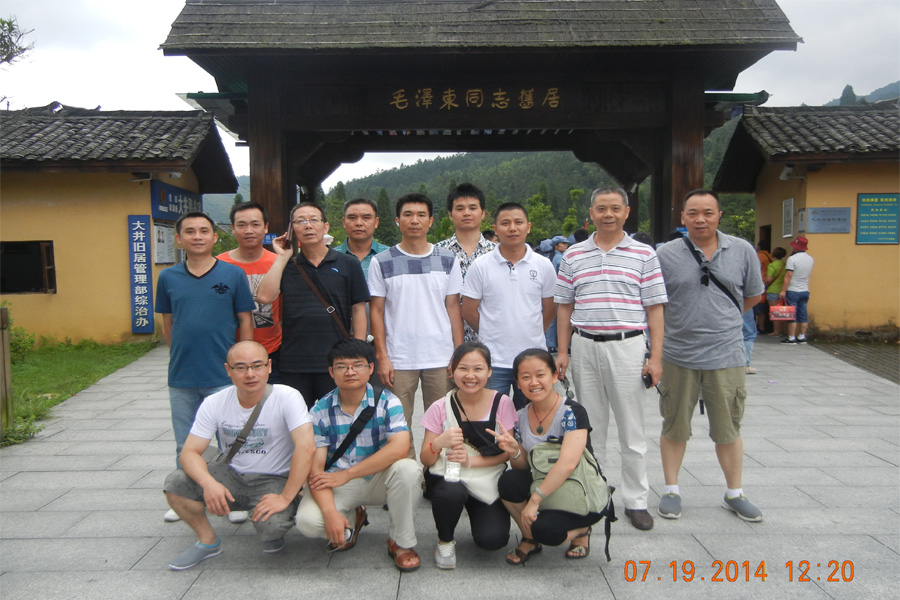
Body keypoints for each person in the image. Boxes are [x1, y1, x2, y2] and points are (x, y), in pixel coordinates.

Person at [555, 187, 667, 531]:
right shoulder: (573, 254)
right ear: (591, 213)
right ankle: (595, 494)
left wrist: (656, 357)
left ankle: (636, 500)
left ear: (626, 212)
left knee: (632, 429)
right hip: (584, 345)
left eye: (615, 208)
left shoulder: (644, 254)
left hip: (627, 346)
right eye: (601, 209)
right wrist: (563, 351)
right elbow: (564, 306)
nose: (608, 214)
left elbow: (655, 308)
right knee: (591, 427)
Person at [656, 189, 765, 523]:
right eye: (692, 213)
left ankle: (735, 493)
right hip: (678, 353)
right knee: (674, 424)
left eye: (707, 213)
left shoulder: (742, 250)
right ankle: (671, 489)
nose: (700, 219)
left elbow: (753, 295)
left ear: (719, 215)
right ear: (682, 217)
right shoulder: (665, 254)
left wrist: (721, 320)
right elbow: (655, 301)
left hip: (727, 354)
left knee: (728, 427)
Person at [162, 341, 315, 570]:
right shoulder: (215, 402)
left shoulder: (287, 396)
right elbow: (189, 452)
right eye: (241, 367)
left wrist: (285, 497)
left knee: (272, 527)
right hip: (232, 474)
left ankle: (273, 528)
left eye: (257, 366)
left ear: (269, 366)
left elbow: (306, 447)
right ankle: (208, 541)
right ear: (228, 370)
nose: (250, 374)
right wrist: (209, 484)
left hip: (274, 479)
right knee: (176, 483)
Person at [155, 212, 255, 522]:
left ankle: (234, 497)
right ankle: (184, 496)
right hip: (182, 376)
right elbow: (168, 323)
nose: (197, 236)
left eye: (203, 231)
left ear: (214, 236)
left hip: (222, 374)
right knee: (185, 442)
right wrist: (180, 352)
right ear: (178, 238)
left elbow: (245, 319)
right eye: (190, 231)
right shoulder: (168, 277)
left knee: (231, 441)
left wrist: (245, 362)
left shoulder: (233, 274)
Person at [295, 339, 423, 572]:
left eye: (357, 365)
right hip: (337, 483)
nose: (350, 371)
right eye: (341, 366)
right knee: (308, 522)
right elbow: (316, 470)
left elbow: (400, 448)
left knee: (409, 470)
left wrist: (348, 474)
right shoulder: (319, 410)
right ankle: (352, 517)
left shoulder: (388, 401)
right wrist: (330, 513)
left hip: (378, 478)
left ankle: (401, 542)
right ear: (331, 372)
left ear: (371, 368)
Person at [368, 193, 464, 457]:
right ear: (397, 220)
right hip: (399, 357)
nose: (414, 220)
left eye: (421, 215)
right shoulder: (382, 261)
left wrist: (459, 353)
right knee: (398, 424)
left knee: (443, 421)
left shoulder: (448, 259)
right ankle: (407, 471)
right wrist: (382, 356)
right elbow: (376, 310)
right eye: (408, 215)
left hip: (440, 355)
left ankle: (437, 471)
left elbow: (453, 307)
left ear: (431, 221)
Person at [491, 349, 602, 564]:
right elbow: (524, 468)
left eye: (540, 375)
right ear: (518, 384)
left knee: (548, 532)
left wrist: (535, 500)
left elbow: (568, 464)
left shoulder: (572, 412)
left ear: (554, 376)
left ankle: (582, 529)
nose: (534, 382)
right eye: (526, 377)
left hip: (579, 488)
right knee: (508, 481)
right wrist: (514, 451)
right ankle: (530, 539)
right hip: (545, 484)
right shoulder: (520, 416)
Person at [257, 203, 370, 407]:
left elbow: (358, 309)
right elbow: (264, 297)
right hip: (295, 362)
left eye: (314, 220)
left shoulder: (348, 263)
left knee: (339, 418)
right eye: (300, 221)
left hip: (337, 361)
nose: (308, 225)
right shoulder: (286, 266)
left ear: (325, 226)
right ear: (292, 229)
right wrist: (282, 257)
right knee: (296, 421)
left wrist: (358, 353)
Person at [420, 342, 516, 568]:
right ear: (451, 371)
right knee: (450, 492)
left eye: (478, 369)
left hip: (487, 477)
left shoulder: (502, 403)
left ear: (489, 371)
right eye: (463, 368)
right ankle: (445, 540)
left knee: (493, 540)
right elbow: (426, 459)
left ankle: (476, 509)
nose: (470, 376)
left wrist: (469, 461)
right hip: (449, 477)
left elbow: (506, 454)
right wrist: (438, 444)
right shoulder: (440, 406)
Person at [461, 202, 557, 409]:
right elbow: (468, 311)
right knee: (493, 417)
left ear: (528, 227)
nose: (512, 228)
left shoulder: (543, 265)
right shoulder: (481, 265)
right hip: (494, 360)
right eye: (505, 223)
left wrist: (532, 331)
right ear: (495, 229)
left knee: (532, 416)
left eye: (518, 222)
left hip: (533, 359)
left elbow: (550, 309)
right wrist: (490, 330)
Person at [217, 202, 283, 381]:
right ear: (232, 228)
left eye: (255, 224)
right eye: (242, 225)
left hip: (271, 351)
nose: (249, 231)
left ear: (265, 227)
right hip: (228, 352)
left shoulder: (279, 263)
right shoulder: (217, 265)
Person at [436, 183, 496, 341]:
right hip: (446, 342)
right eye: (460, 208)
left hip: (491, 343)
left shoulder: (498, 253)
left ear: (483, 213)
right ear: (450, 214)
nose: (467, 213)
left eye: (473, 208)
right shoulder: (436, 253)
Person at [333, 197, 390, 280]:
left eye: (366, 218)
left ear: (376, 222)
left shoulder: (391, 256)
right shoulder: (330, 258)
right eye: (352, 218)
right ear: (344, 222)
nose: (359, 223)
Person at [779, 236, 814, 345]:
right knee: (803, 314)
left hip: (793, 290)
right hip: (805, 291)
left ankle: (791, 338)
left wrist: (783, 290)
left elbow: (788, 275)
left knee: (792, 315)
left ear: (795, 247)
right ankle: (802, 336)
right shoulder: (810, 259)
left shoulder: (792, 259)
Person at [765, 247, 788, 336]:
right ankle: (781, 330)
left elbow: (768, 279)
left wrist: (764, 285)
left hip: (772, 290)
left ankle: (776, 331)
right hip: (782, 290)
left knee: (774, 312)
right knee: (781, 312)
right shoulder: (784, 265)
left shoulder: (772, 265)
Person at [754, 240, 774, 334]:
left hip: (761, 283)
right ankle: (764, 327)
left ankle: (760, 327)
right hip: (768, 284)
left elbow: (754, 268)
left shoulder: (759, 256)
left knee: (759, 308)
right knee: (763, 307)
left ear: (759, 246)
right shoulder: (770, 257)